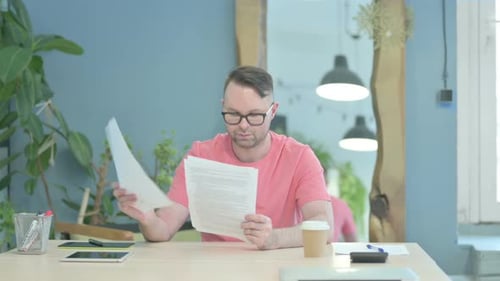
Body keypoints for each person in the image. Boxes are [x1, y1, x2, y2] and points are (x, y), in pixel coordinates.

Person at [113, 65, 333, 250]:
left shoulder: (299, 157)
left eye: (255, 115)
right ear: (223, 107)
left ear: (273, 111)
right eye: (233, 114)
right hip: (215, 271)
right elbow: (162, 231)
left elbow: (325, 225)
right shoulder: (201, 156)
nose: (243, 125)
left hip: (276, 269)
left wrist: (274, 238)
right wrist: (148, 218)